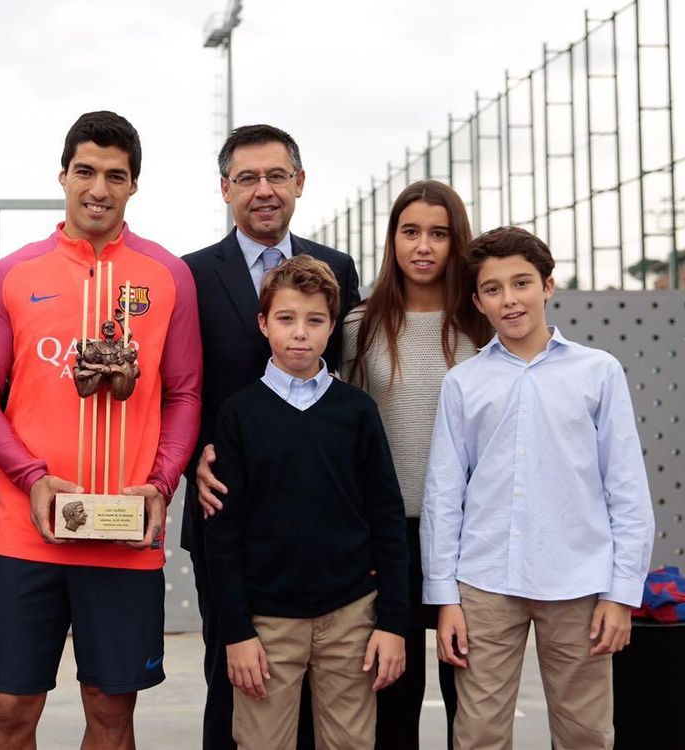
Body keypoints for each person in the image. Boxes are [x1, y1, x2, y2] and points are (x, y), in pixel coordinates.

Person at [0, 111, 202, 750]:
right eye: (86, 171)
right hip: (29, 533)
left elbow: (184, 393)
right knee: (10, 710)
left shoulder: (168, 275)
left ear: (134, 185)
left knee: (110, 712)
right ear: (62, 176)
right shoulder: (13, 273)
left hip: (125, 534)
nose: (99, 188)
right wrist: (31, 476)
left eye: (115, 176)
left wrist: (161, 484)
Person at [422, 226, 656, 749]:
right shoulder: (462, 383)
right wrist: (445, 597)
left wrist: (621, 594)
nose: (509, 299)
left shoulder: (599, 372)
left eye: (521, 283)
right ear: (477, 301)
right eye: (493, 289)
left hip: (579, 582)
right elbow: (443, 495)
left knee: (585, 733)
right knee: (477, 734)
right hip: (484, 583)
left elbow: (626, 489)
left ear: (547, 286)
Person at [182, 123, 361, 749]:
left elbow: (343, 382)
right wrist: (193, 458)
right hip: (227, 507)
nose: (264, 190)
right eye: (248, 178)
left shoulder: (338, 268)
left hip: (320, 517)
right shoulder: (190, 275)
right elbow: (178, 386)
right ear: (225, 188)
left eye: (277, 175)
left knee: (324, 693)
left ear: (299, 183)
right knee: (233, 674)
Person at [206, 254, 409, 749]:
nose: (300, 333)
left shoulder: (357, 411)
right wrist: (237, 633)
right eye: (286, 318)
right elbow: (223, 537)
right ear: (263, 323)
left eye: (315, 320)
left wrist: (392, 623)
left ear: (332, 326)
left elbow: (387, 518)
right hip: (267, 623)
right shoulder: (238, 415)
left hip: (351, 617)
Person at [341, 181, 492, 749]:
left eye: (438, 233)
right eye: (410, 232)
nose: (423, 246)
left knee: (470, 701)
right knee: (392, 699)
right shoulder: (358, 326)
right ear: (393, 240)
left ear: (457, 242)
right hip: (387, 534)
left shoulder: (482, 326)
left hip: (468, 534)